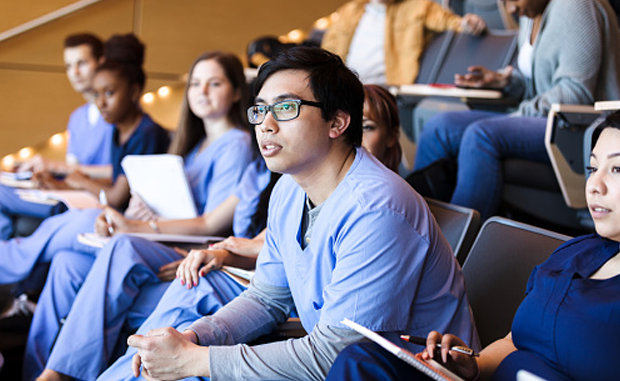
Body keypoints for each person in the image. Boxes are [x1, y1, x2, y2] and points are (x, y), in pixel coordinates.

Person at [103, 46, 478, 381]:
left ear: (337, 122)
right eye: (260, 110)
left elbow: (336, 356)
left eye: (285, 108)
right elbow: (267, 299)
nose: (266, 124)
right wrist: (195, 338)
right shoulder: (288, 188)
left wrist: (198, 361)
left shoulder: (379, 209)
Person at [328, 111, 620, 381]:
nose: (595, 184)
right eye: (592, 167)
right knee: (360, 361)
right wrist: (472, 366)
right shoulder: (575, 253)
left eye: (617, 169)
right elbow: (515, 341)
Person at [27, 51, 256, 381]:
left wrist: (139, 224)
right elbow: (179, 206)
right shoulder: (193, 145)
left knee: (122, 246)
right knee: (66, 264)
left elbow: (212, 223)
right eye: (195, 83)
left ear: (236, 92)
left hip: (190, 248)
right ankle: (38, 371)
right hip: (162, 239)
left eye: (214, 83)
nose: (201, 91)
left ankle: (58, 374)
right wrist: (145, 211)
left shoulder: (236, 143)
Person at [413, 0, 620, 220]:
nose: (510, 8)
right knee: (439, 126)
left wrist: (519, 114)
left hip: (576, 127)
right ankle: (414, 225)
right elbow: (535, 85)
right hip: (542, 117)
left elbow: (575, 93)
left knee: (480, 135)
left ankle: (454, 242)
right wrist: (504, 81)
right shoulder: (530, 14)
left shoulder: (577, 6)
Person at [0, 33, 170, 286]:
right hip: (99, 206)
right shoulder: (116, 128)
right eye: (97, 94)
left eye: (108, 93)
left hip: (116, 215)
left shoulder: (144, 132)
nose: (101, 103)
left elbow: (116, 195)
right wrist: (62, 184)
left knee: (66, 231)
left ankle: (9, 262)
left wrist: (77, 178)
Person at [0, 33, 113, 241]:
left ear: (101, 62)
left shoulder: (116, 114)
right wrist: (49, 178)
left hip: (92, 200)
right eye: (69, 66)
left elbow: (119, 175)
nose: (75, 72)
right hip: (69, 195)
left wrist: (58, 167)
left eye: (81, 63)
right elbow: (72, 174)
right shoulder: (77, 117)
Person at [321, 0, 486, 85]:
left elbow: (451, 22)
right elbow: (327, 53)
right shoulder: (348, 11)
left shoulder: (418, 7)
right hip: (344, 87)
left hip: (387, 89)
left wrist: (467, 23)